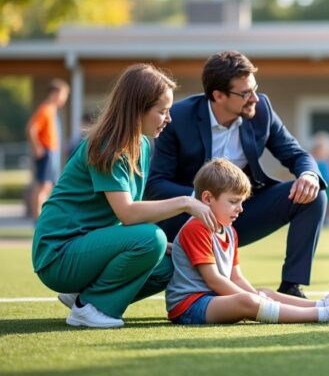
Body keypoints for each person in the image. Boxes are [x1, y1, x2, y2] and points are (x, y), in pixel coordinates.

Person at [32, 64, 218, 328]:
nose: (169, 118)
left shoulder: (141, 143)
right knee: (152, 237)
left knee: (169, 265)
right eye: (162, 111)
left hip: (86, 247)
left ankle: (84, 297)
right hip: (58, 255)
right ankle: (89, 308)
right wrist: (186, 202)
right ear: (137, 109)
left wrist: (157, 249)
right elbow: (127, 212)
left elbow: (125, 218)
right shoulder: (110, 144)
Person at [145, 51, 327, 299]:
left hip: (242, 211)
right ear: (218, 95)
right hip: (189, 220)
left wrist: (309, 175)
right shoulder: (178, 118)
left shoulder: (262, 111)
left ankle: (291, 287)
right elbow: (156, 184)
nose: (254, 98)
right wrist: (198, 202)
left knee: (314, 195)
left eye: (254, 88)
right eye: (244, 93)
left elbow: (296, 154)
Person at [166, 158, 329, 325]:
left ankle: (322, 304)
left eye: (242, 202)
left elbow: (236, 278)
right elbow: (214, 280)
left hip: (214, 299)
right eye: (234, 202)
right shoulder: (196, 227)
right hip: (191, 306)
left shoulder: (230, 231)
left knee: (265, 293)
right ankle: (325, 315)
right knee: (248, 301)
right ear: (207, 199)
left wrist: (260, 297)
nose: (240, 209)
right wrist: (255, 299)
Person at [27, 79, 69, 221]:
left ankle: (42, 218)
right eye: (63, 94)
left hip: (52, 152)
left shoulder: (52, 110)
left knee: (48, 185)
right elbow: (31, 128)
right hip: (46, 152)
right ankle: (38, 220)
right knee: (42, 186)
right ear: (55, 93)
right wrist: (38, 147)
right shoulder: (45, 109)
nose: (64, 98)